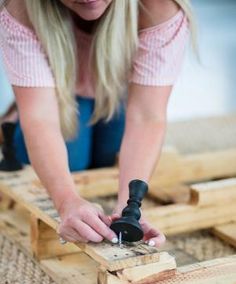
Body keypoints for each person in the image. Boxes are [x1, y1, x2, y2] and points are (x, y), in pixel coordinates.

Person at [0, 0, 192, 246]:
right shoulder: (20, 8)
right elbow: (40, 118)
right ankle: (14, 116)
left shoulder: (160, 7)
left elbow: (146, 115)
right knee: (75, 162)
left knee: (104, 157)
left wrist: (129, 208)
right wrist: (66, 200)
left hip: (112, 92)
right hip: (57, 90)